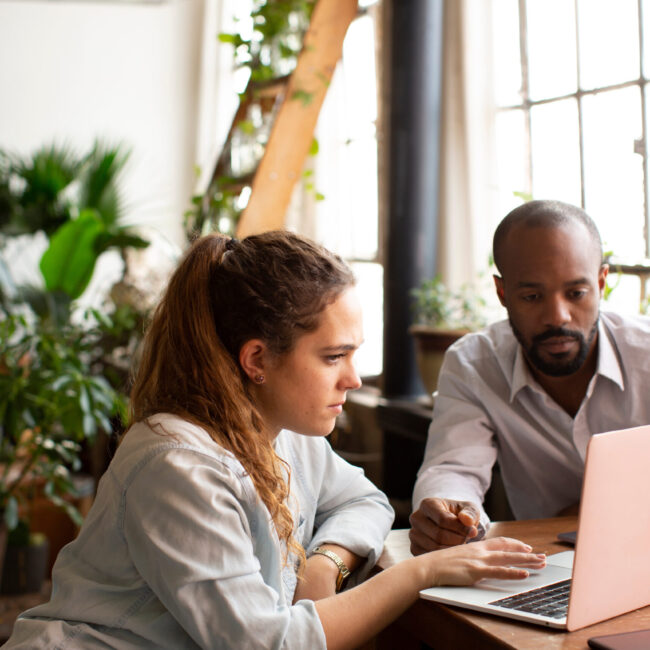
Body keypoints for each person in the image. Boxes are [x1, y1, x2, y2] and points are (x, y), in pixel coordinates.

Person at [5, 231, 544, 649]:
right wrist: (420, 572)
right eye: (334, 357)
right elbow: (268, 644)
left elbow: (364, 499)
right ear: (258, 359)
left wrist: (323, 563)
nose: (353, 380)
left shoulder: (281, 431)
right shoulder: (176, 466)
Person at [410, 199, 650, 555]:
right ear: (503, 293)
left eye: (576, 293)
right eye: (532, 296)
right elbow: (454, 467)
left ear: (602, 282)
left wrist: (583, 513)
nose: (557, 316)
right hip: (543, 562)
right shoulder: (474, 364)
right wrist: (450, 512)